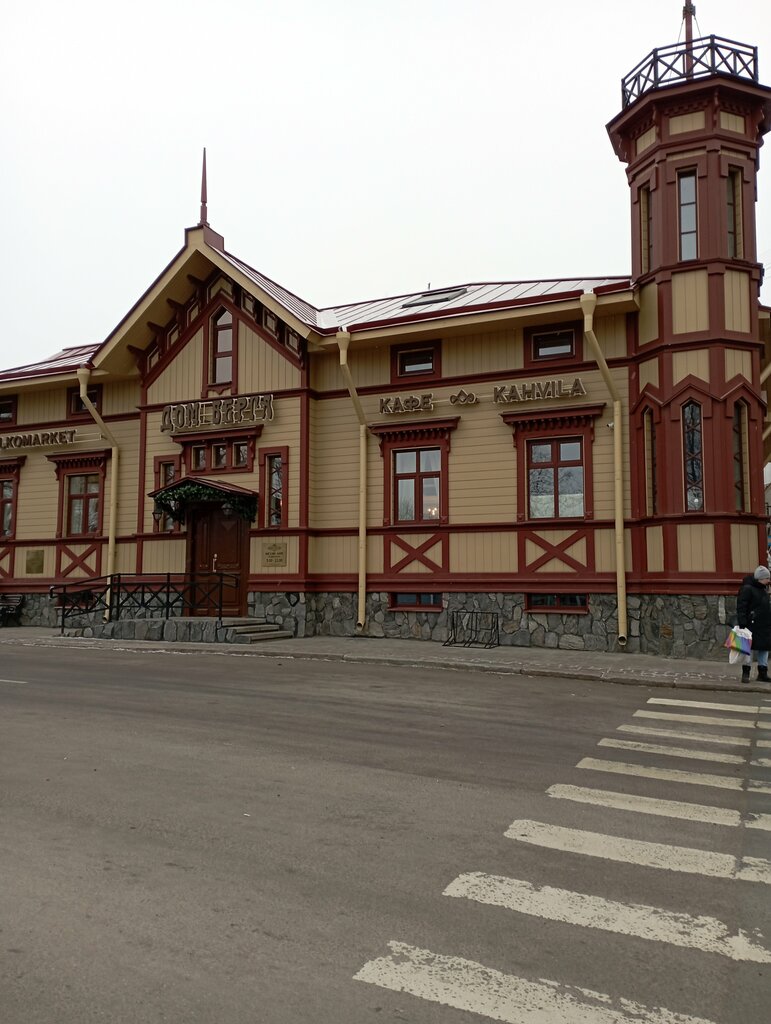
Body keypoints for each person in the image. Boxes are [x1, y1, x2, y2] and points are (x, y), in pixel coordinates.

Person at [736, 565, 771, 683]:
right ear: (760, 579)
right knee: (748, 649)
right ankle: (746, 673)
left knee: (764, 648)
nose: (769, 580)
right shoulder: (748, 589)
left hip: (764, 624)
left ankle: (763, 672)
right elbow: (741, 606)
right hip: (751, 624)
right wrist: (742, 623)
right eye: (767, 578)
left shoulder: (763, 588)